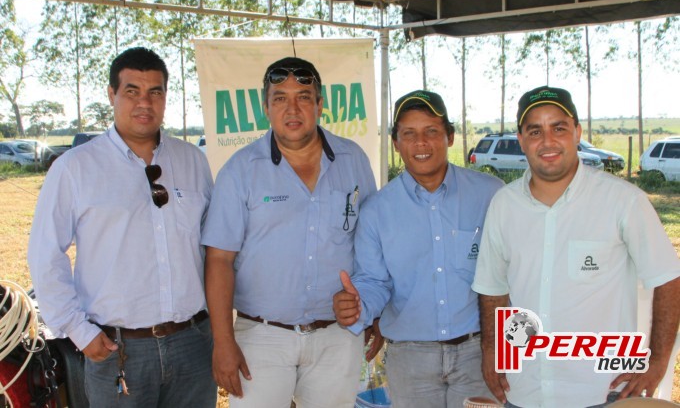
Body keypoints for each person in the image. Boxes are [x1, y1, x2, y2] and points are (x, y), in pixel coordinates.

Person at [27, 47, 216, 407]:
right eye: (132, 91)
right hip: (117, 350)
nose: (144, 102)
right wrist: (79, 332)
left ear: (165, 97)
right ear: (112, 94)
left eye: (155, 92)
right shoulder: (75, 168)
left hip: (193, 343)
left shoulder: (192, 161)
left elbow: (213, 249)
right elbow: (45, 254)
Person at [471, 86, 680, 407]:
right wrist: (492, 350)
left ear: (577, 132)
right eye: (535, 131)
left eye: (559, 128)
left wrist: (656, 363)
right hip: (526, 391)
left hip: (602, 390)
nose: (548, 141)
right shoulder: (504, 204)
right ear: (522, 140)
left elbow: (668, 278)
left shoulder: (623, 201)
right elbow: (493, 289)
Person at [202, 56, 377, 408]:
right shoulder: (241, 170)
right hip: (262, 337)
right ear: (265, 106)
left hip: (337, 335)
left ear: (320, 104)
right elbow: (219, 259)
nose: (292, 108)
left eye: (303, 96)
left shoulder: (353, 159)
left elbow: (373, 244)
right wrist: (223, 342)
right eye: (280, 97)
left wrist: (373, 309)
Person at [333, 89, 504, 408]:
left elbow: (511, 272)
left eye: (431, 132)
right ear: (396, 143)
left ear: (450, 137)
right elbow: (374, 281)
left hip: (478, 355)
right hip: (410, 359)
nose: (421, 143)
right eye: (409, 134)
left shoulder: (491, 195)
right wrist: (359, 306)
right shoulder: (376, 210)